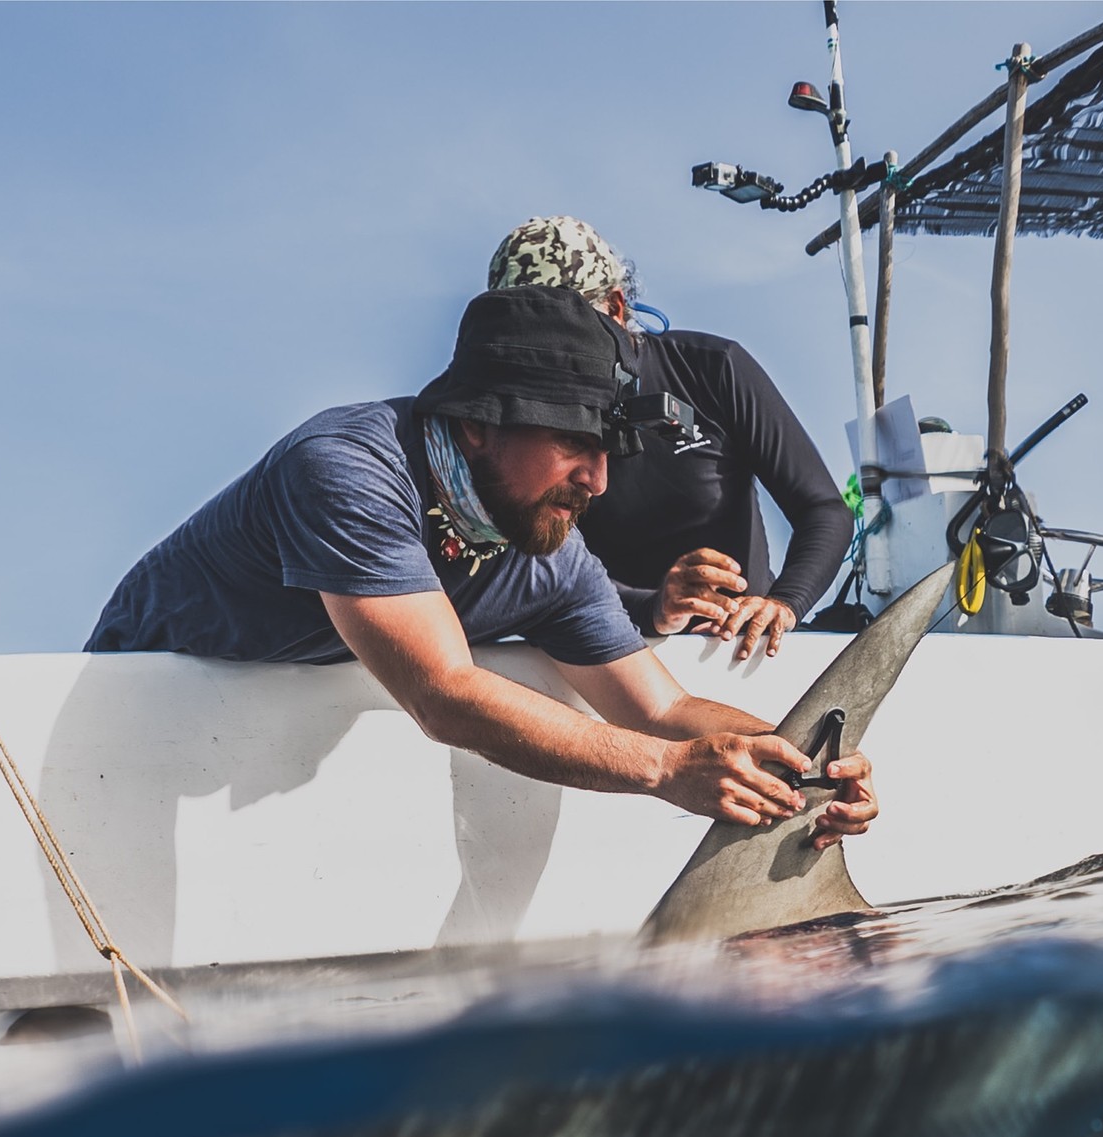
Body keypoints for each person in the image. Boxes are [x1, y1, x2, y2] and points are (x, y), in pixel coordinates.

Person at [88, 286, 877, 844]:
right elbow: (445, 696)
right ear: (474, 426)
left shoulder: (554, 557)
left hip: (260, 763)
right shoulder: (346, 470)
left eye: (608, 454)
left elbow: (662, 711)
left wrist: (803, 765)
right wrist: (668, 771)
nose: (598, 481)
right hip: (118, 717)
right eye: (574, 444)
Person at [487, 216, 851, 660]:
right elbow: (530, 571)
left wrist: (784, 603)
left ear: (616, 309)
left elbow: (824, 510)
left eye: (566, 330)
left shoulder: (712, 368)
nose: (551, 356)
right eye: (528, 341)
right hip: (609, 663)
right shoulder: (511, 422)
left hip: (737, 657)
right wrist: (655, 608)